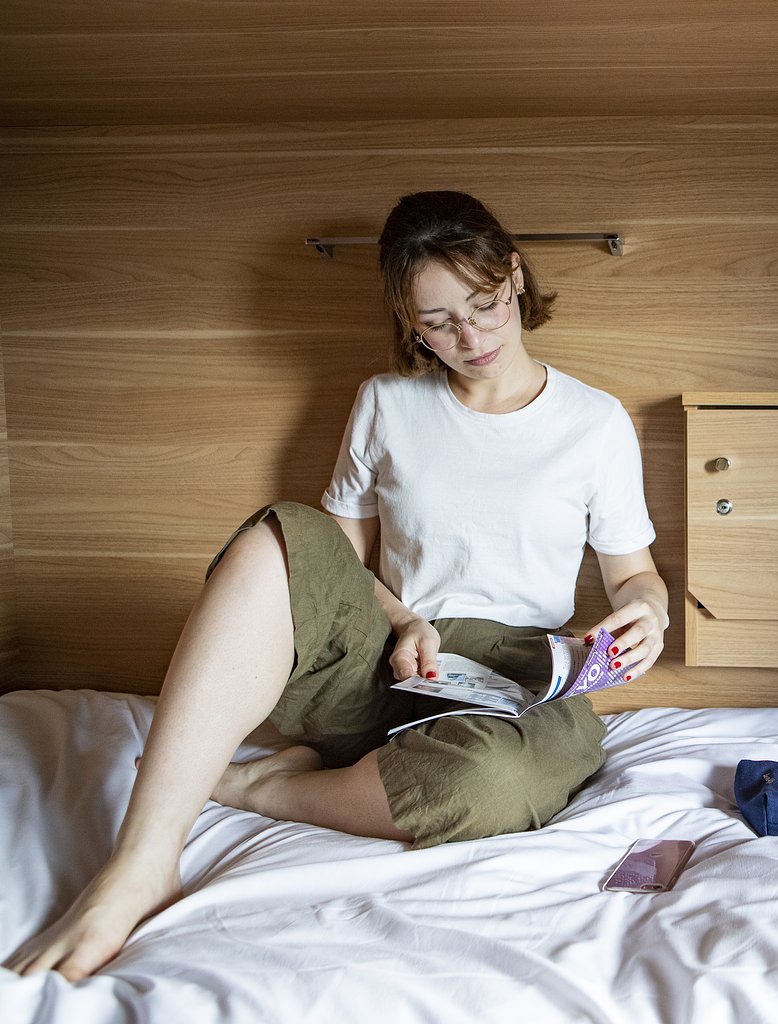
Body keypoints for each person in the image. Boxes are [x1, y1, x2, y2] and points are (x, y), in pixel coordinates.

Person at [3, 190, 668, 981]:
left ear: (515, 277)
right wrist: (402, 621)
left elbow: (636, 574)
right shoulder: (385, 402)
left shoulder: (593, 423)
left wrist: (646, 615)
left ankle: (260, 789)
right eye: (438, 322)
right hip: (386, 658)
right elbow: (332, 563)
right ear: (408, 321)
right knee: (280, 532)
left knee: (495, 780)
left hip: (517, 672)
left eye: (485, 305)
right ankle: (141, 863)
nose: (472, 337)